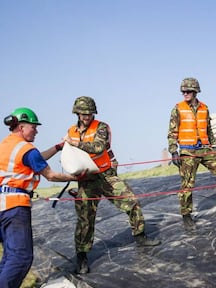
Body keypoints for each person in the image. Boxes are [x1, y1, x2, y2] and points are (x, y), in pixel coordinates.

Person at [63, 96, 160, 275]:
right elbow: (69, 155)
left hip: (106, 176)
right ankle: (82, 256)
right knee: (85, 218)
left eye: (89, 113)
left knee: (131, 202)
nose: (86, 116)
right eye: (83, 113)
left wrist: (75, 143)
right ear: (77, 113)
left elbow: (99, 148)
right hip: (86, 180)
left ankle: (140, 236)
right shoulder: (71, 131)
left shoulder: (101, 127)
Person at [0, 107, 81, 288]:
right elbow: (51, 175)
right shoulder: (26, 149)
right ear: (21, 127)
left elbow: (36, 159)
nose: (36, 131)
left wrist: (57, 147)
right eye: (33, 128)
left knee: (10, 256)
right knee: (21, 256)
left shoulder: (8, 145)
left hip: (2, 203)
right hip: (14, 206)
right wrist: (76, 177)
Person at [167, 78, 216, 230]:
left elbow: (209, 130)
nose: (185, 94)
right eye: (183, 91)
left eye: (188, 91)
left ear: (195, 92)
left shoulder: (204, 108)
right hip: (187, 151)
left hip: (205, 149)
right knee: (187, 184)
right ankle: (186, 216)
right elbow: (172, 132)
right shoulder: (177, 109)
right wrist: (174, 151)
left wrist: (215, 147)